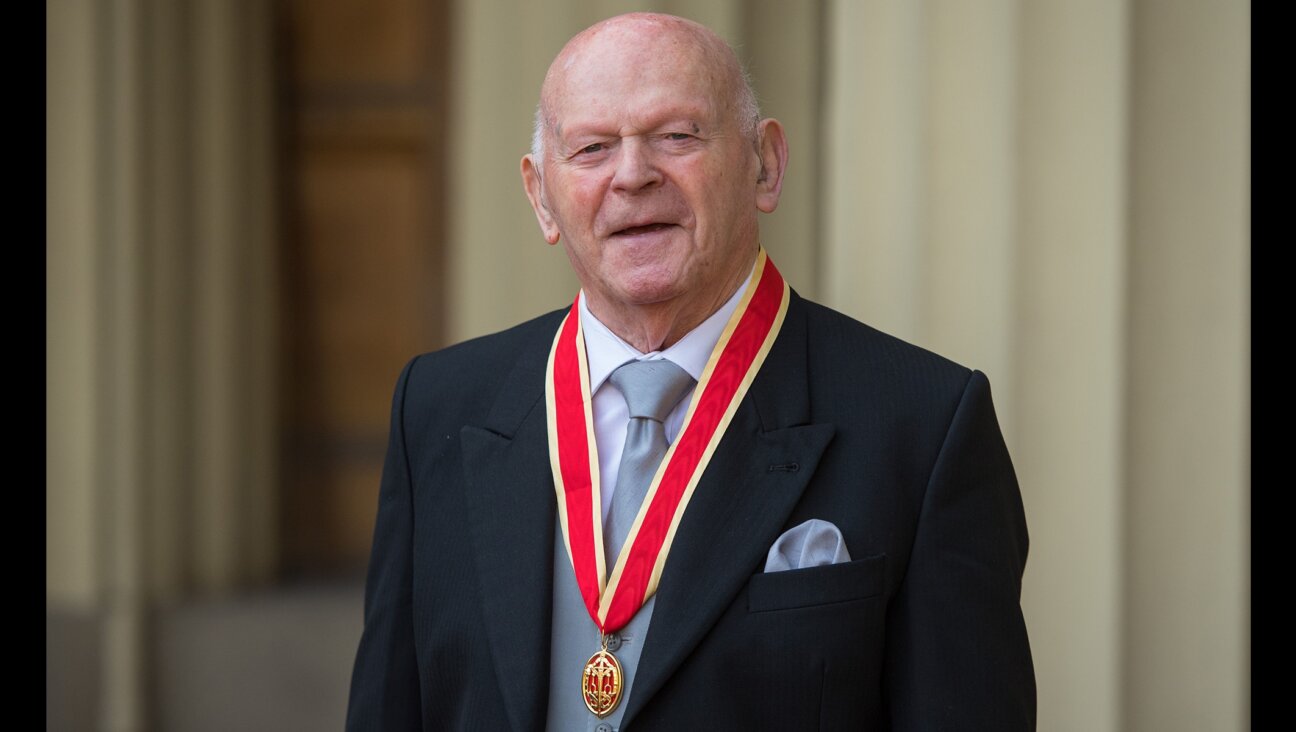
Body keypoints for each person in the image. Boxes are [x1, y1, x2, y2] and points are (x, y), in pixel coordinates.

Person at [346, 12, 1034, 731]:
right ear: (542, 197)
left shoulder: (924, 427)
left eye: (676, 136)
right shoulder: (437, 408)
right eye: (590, 148)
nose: (633, 174)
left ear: (764, 164)